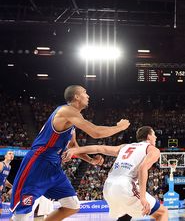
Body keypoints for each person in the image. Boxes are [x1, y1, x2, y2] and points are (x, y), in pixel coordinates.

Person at [9, 85, 130, 220]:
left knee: (72, 205)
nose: (88, 96)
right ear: (76, 96)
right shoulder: (66, 110)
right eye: (85, 92)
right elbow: (95, 132)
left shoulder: (72, 121)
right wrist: (120, 127)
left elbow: (74, 147)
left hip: (54, 166)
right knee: (21, 214)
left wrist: (90, 160)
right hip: (38, 163)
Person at [63, 126, 168, 221]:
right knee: (162, 213)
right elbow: (142, 168)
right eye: (154, 135)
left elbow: (99, 148)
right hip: (124, 185)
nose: (156, 137)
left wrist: (76, 150)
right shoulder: (153, 150)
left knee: (125, 214)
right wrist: (143, 197)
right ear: (149, 136)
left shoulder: (125, 146)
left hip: (108, 187)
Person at [0, 151, 14, 216]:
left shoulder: (9, 167)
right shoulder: (1, 164)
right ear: (5, 156)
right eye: (9, 153)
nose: (11, 155)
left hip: (1, 191)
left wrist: (13, 187)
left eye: (13, 154)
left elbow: (5, 180)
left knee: (0, 211)